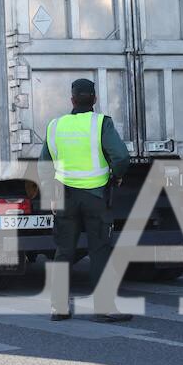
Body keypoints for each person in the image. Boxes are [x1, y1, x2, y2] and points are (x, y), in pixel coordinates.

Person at [39, 78, 131, 322]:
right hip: (95, 196)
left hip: (65, 198)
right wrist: (116, 176)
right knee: (99, 250)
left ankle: (58, 308)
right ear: (94, 99)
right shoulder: (101, 123)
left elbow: (44, 166)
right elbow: (121, 157)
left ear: (72, 100)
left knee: (64, 251)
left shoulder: (55, 126)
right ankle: (104, 308)